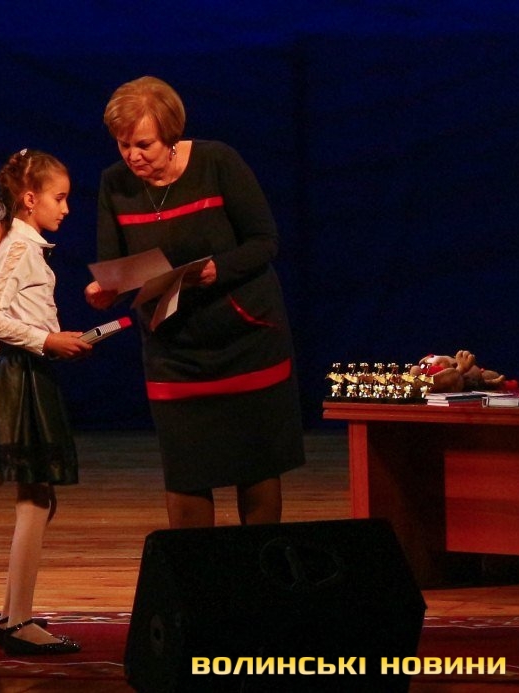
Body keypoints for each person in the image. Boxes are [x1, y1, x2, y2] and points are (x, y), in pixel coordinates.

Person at [85, 76, 305, 529]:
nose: (132, 156)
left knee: (257, 464)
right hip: (174, 351)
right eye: (123, 145)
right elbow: (116, 265)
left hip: (244, 337)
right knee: (187, 471)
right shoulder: (114, 184)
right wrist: (105, 291)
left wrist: (216, 269)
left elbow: (264, 241)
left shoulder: (217, 162)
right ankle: (198, 571)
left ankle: (259, 564)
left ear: (170, 135)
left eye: (143, 144)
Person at [0, 148, 90, 655]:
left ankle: (13, 615)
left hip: (30, 373)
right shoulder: (20, 248)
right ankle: (16, 622)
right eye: (59, 198)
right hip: (20, 377)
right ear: (29, 199)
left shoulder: (27, 246)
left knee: (39, 499)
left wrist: (57, 339)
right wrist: (47, 340)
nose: (66, 208)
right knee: (36, 500)